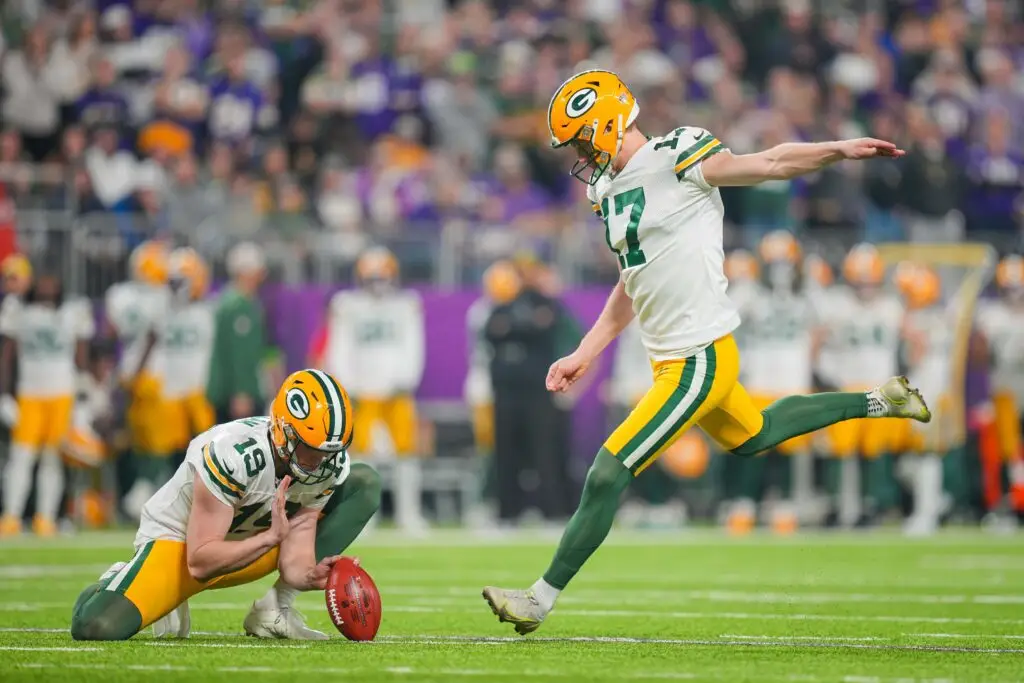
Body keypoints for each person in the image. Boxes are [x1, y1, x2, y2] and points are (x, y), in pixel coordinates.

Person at [482, 69, 932, 634]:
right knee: (756, 435)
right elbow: (632, 280)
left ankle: (538, 599)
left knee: (606, 472)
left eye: (579, 138)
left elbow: (767, 163)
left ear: (610, 124)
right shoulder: (606, 188)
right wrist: (586, 351)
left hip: (699, 356)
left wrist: (836, 150)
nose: (576, 154)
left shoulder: (677, 154)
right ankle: (880, 400)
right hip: (672, 356)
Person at [70, 369, 382, 641]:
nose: (320, 461)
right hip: (183, 547)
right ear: (283, 431)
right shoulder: (232, 454)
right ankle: (119, 579)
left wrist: (307, 576)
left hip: (252, 542)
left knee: (363, 482)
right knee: (97, 625)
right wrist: (269, 538)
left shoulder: (327, 461)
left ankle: (275, 609)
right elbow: (201, 561)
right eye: (311, 451)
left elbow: (299, 537)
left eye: (327, 451)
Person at [322, 247, 426, 533]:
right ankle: (363, 517)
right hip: (363, 392)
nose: (379, 283)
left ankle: (409, 515)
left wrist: (406, 379)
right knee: (362, 457)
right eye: (373, 277)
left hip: (397, 392)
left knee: (406, 454)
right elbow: (339, 347)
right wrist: (347, 384)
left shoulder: (406, 304)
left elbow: (414, 344)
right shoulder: (348, 305)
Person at [0, 271, 93, 536]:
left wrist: (84, 396)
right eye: (43, 282)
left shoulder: (73, 311)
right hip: (29, 393)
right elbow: (7, 356)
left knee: (52, 459)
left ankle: (46, 518)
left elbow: (81, 354)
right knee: (21, 457)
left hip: (62, 393)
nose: (48, 287)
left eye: (52, 282)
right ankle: (11, 516)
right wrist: (4, 394)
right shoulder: (18, 310)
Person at [105, 240, 174, 520]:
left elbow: (112, 333)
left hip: (129, 372)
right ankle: (141, 496)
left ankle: (141, 494)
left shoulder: (119, 296)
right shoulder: (159, 297)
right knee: (149, 443)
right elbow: (152, 337)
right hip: (150, 376)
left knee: (141, 442)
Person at [162, 248, 216, 458]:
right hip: (171, 389)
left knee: (205, 448)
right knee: (173, 453)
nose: (173, 287)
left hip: (199, 388)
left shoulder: (208, 312)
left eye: (178, 281)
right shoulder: (163, 310)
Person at [207, 242, 268, 424]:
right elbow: (239, 353)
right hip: (237, 395)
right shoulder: (239, 306)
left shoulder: (230, 301)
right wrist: (242, 391)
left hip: (228, 391)